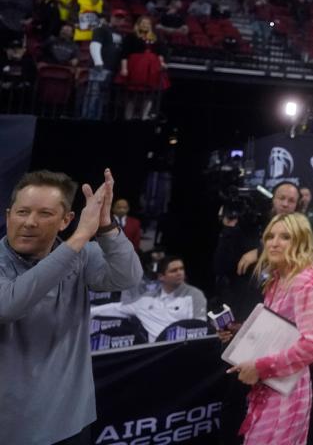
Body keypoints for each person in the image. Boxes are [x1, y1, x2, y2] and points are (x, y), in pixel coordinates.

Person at [0, 169, 142, 445]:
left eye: (44, 214)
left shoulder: (81, 257)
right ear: (8, 215)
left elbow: (128, 277)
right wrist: (78, 239)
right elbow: (8, 306)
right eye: (22, 212)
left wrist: (104, 227)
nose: (29, 222)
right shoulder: (75, 250)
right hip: (11, 428)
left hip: (71, 421)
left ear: (66, 220)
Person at [227, 213, 313, 445]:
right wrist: (237, 333)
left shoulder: (303, 280)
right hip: (272, 387)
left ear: (300, 242)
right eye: (270, 236)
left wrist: (260, 367)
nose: (274, 242)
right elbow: (278, 331)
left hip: (287, 391)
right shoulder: (277, 279)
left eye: (285, 237)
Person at [92, 255, 207, 341]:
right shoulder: (145, 299)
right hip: (154, 355)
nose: (179, 273)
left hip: (184, 350)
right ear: (161, 277)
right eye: (174, 270)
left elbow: (200, 328)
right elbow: (116, 308)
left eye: (181, 269)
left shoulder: (195, 295)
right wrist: (86, 312)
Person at [236, 181, 301, 275]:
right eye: (281, 198)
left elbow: (300, 249)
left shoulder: (301, 226)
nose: (285, 204)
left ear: (297, 205)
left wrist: (259, 253)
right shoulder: (257, 219)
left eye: (291, 201)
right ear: (273, 199)